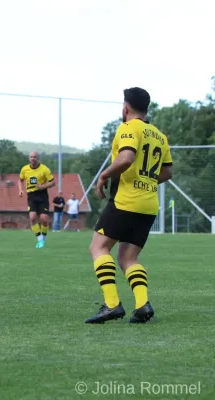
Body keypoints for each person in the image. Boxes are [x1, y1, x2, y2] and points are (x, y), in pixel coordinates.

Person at [85, 87, 173, 324]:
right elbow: (167, 172)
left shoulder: (128, 127)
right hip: (148, 204)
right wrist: (146, 180)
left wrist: (103, 176)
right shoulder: (159, 136)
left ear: (126, 107)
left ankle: (112, 305)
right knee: (128, 257)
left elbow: (126, 159)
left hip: (125, 201)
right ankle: (143, 305)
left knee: (98, 248)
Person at [18, 151, 56, 248]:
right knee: (32, 217)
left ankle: (44, 236)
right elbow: (20, 180)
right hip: (31, 195)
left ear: (38, 158)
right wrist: (20, 190)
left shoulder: (44, 169)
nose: (33, 159)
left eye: (35, 157)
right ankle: (39, 239)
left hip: (42, 195)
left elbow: (52, 183)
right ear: (29, 158)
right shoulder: (25, 169)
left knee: (44, 219)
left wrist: (42, 186)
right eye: (31, 157)